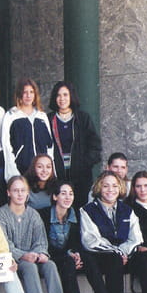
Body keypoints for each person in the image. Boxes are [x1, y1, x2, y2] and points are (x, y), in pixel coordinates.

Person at [0, 176, 76, 293]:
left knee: (50, 265)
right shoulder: (0, 214)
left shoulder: (33, 214)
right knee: (29, 267)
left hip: (33, 256)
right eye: (16, 190)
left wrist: (41, 253)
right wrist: (23, 255)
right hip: (14, 259)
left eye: (23, 190)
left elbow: (40, 240)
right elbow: (3, 244)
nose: (20, 194)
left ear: (28, 193)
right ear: (8, 193)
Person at [80, 171, 147, 293]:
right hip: (100, 255)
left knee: (144, 259)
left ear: (120, 188)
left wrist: (123, 251)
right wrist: (117, 252)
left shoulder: (127, 210)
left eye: (114, 186)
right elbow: (90, 240)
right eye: (106, 186)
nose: (110, 190)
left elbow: (136, 237)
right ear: (99, 187)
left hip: (124, 255)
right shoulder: (87, 210)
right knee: (113, 259)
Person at [37, 181, 92, 293]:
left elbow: (79, 241)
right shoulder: (43, 215)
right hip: (49, 256)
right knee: (67, 263)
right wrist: (69, 254)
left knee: (87, 260)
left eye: (71, 194)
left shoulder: (77, 215)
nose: (68, 197)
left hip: (68, 257)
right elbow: (42, 243)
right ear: (55, 197)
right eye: (63, 193)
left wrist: (76, 254)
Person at [46, 81, 101, 209]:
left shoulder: (82, 118)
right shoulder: (48, 119)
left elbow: (95, 145)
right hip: (57, 174)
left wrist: (84, 163)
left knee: (80, 208)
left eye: (65, 95)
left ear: (71, 96)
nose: (62, 99)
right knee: (58, 208)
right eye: (58, 95)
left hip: (80, 175)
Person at [2, 78, 53, 180]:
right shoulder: (11, 115)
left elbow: (49, 145)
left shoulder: (42, 116)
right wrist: (13, 172)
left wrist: (49, 168)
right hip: (21, 170)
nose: (28, 95)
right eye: (25, 92)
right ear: (19, 94)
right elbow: (7, 145)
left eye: (31, 92)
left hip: (41, 172)